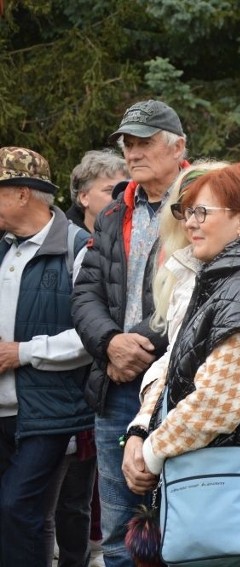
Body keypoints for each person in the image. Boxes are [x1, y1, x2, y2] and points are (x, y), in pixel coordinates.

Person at [121, 161, 240, 566]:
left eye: (203, 212)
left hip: (228, 494)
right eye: (186, 212)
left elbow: (218, 404)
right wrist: (139, 431)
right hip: (213, 487)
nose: (190, 223)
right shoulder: (224, 281)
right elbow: (173, 369)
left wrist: (151, 452)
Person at [71, 99, 187, 567]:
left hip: (178, 383)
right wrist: (110, 343)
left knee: (183, 518)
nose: (133, 152)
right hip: (116, 384)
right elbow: (84, 294)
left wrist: (135, 343)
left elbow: (192, 290)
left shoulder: (200, 203)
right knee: (120, 527)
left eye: (145, 142)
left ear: (178, 146)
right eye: (129, 143)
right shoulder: (115, 209)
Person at [0, 146, 94, 566]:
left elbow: (93, 334)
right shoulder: (3, 247)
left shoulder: (79, 248)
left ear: (21, 193)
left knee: (18, 508)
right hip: (2, 411)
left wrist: (24, 353)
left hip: (48, 412)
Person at [45, 149, 129, 567]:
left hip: (101, 388)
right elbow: (83, 313)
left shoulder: (128, 239)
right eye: (108, 189)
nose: (119, 195)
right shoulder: (71, 244)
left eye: (122, 187)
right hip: (65, 388)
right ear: (82, 197)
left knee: (82, 497)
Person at [66, 150, 129, 233]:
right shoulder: (64, 241)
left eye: (124, 190)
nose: (120, 196)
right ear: (84, 197)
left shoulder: (137, 235)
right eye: (109, 190)